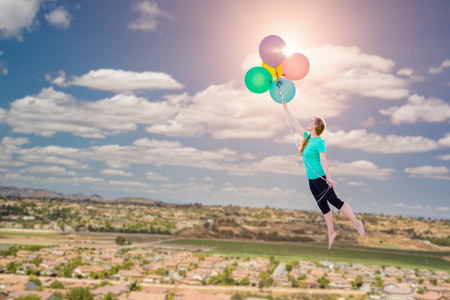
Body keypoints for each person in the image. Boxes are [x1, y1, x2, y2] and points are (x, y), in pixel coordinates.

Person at [282, 100, 365, 249]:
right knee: (324, 208)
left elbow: (324, 161)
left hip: (320, 179)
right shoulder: (307, 137)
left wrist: (328, 179)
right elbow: (295, 125)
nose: (308, 122)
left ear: (316, 126)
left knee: (336, 203)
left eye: (311, 121)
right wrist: (286, 108)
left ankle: (357, 223)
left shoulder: (320, 142)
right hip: (311, 181)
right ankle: (331, 233)